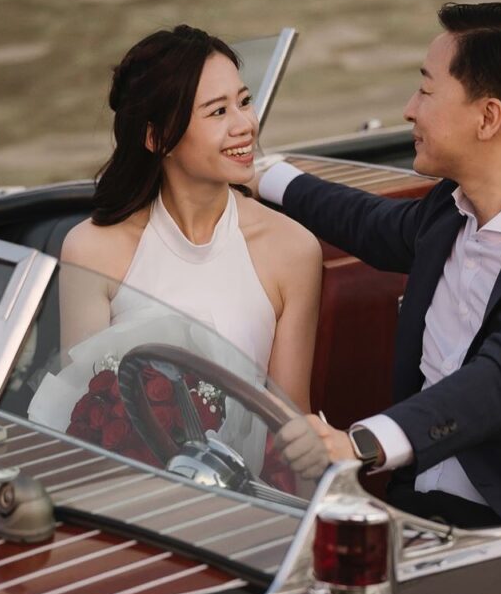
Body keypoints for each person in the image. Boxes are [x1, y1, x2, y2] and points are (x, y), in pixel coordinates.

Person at [261, 2, 501, 526]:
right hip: (416, 505)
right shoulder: (449, 207)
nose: (408, 110)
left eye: (425, 90)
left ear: (488, 117)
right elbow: (368, 222)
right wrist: (264, 175)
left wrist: (360, 445)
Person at [58, 24, 322, 414]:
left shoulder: (293, 249)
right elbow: (82, 415)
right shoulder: (91, 250)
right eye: (218, 111)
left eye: (244, 101)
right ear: (157, 138)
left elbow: (292, 421)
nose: (245, 125)